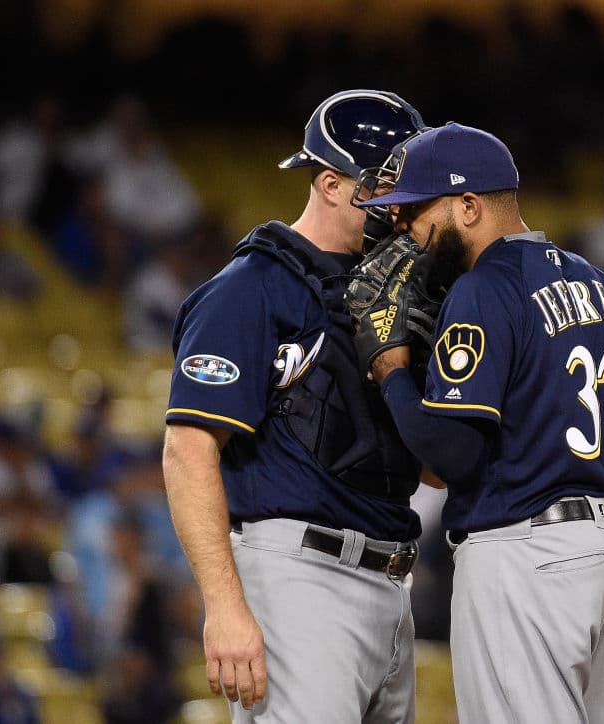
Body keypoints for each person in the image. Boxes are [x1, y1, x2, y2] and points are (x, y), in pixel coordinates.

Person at [355, 122, 604, 723]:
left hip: (525, 556)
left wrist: (392, 372)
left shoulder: (485, 288)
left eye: (415, 211)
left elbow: (453, 453)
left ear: (468, 205)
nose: (404, 229)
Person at [161, 90, 429, 722]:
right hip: (299, 579)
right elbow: (187, 448)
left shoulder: (396, 292)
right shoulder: (252, 288)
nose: (399, 207)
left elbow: (428, 461)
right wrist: (224, 606)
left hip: (393, 583)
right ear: (331, 184)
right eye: (384, 187)